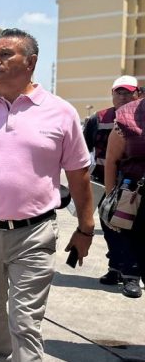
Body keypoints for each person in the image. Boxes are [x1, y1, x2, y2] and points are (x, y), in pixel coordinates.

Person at [0, 28, 94, 362]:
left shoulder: (61, 112)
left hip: (35, 234)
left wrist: (86, 227)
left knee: (24, 322)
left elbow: (79, 176)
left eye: (5, 54)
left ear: (31, 62)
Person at [83, 76, 140, 289]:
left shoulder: (141, 118)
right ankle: (115, 267)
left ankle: (131, 274)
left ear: (137, 94)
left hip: (133, 187)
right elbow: (83, 150)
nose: (123, 97)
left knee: (130, 230)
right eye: (119, 92)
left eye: (128, 92)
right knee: (109, 229)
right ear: (112, 94)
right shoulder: (98, 119)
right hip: (103, 183)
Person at [105, 94, 145, 298]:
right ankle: (131, 276)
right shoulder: (126, 115)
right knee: (130, 233)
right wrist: (110, 196)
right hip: (134, 190)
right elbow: (111, 159)